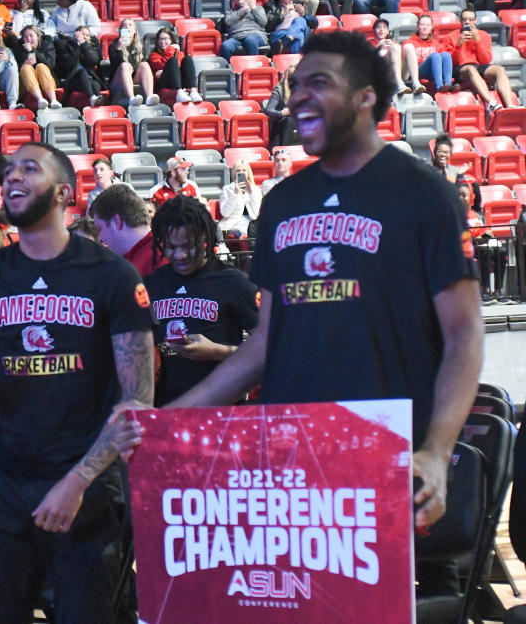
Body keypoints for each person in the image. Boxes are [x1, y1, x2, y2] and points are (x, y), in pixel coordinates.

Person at [160, 33, 483, 596]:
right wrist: (168, 422)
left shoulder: (423, 195)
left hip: (387, 459)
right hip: (293, 460)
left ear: (364, 97)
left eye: (318, 83)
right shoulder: (283, 202)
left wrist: (435, 449)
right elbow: (263, 346)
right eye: (294, 85)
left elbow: (464, 334)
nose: (297, 98)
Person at [0, 140, 155, 623]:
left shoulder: (111, 275)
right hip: (7, 479)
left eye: (30, 169)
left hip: (87, 480)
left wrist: (76, 483)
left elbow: (137, 400)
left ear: (65, 192)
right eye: (8, 171)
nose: (13, 177)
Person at [145, 195, 259, 406]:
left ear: (204, 238)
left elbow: (267, 352)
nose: (179, 255)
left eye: (188, 246)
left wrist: (217, 352)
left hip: (220, 413)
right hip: (165, 412)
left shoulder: (233, 282)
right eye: (171, 247)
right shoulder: (151, 285)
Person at [92, 183, 168, 276]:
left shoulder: (159, 259)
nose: (100, 238)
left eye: (100, 229)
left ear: (117, 222)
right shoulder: (157, 252)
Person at [450, 8, 516, 113]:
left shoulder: (484, 35)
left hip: (478, 66)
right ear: (460, 21)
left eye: (471, 19)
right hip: (460, 69)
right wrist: (459, 45)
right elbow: (451, 63)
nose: (467, 22)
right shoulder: (451, 36)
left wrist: (478, 41)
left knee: (499, 69)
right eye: (465, 19)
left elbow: (486, 61)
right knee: (471, 69)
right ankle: (491, 103)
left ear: (475, 21)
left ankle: (510, 105)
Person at [460, 181, 507, 298]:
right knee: (487, 251)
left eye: (464, 195)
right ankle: (485, 290)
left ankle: (498, 291)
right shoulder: (455, 215)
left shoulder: (479, 214)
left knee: (502, 251)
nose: (461, 198)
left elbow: (484, 229)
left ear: (471, 197)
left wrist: (488, 233)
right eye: (459, 195)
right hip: (467, 246)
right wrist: (475, 236)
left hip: (481, 243)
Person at [109, 18, 158, 107]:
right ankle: (131, 98)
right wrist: (119, 48)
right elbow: (116, 66)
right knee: (124, 65)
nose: (127, 27)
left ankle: (149, 97)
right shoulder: (114, 46)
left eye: (130, 25)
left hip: (133, 76)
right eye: (124, 25)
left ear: (135, 30)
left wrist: (131, 68)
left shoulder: (140, 45)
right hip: (118, 79)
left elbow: (138, 66)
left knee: (144, 64)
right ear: (121, 30)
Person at [147, 28, 202, 104]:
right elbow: (164, 65)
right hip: (164, 83)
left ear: (171, 40)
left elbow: (181, 70)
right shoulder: (154, 56)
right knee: (172, 61)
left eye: (165, 39)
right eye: (159, 39)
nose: (162, 42)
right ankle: (179, 92)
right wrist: (171, 49)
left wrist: (167, 71)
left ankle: (193, 91)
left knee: (187, 59)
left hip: (179, 81)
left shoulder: (180, 54)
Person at [54, 25, 104, 107]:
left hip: (89, 79)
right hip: (71, 80)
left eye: (87, 35)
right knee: (82, 71)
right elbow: (68, 64)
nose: (84, 37)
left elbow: (93, 61)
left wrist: (84, 45)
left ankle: (97, 104)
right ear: (75, 35)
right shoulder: (66, 46)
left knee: (95, 83)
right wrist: (77, 46)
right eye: (82, 34)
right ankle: (92, 98)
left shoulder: (91, 47)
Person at [405, 14, 456, 94]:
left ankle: (448, 84)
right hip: (418, 71)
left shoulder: (435, 43)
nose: (425, 27)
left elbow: (444, 60)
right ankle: (439, 86)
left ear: (431, 27)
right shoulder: (409, 42)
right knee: (435, 56)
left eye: (428, 25)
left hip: (434, 71)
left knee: (446, 54)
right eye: (422, 24)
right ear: (418, 26)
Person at [14, 25, 61, 109]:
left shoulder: (47, 45)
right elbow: (16, 68)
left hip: (48, 82)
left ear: (38, 36)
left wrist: (32, 51)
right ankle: (40, 100)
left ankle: (54, 101)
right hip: (27, 85)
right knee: (25, 67)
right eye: (25, 36)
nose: (28, 39)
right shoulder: (19, 48)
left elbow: (50, 65)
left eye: (31, 35)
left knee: (41, 66)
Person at [372, 18, 419, 95]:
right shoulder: (368, 44)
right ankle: (398, 84)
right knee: (383, 52)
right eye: (378, 27)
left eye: (384, 27)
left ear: (388, 31)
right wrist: (378, 47)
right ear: (373, 31)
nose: (381, 29)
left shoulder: (393, 44)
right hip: (380, 75)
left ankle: (416, 83)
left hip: (399, 73)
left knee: (408, 46)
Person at [218, 159, 261, 238]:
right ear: (234, 173)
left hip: (250, 223)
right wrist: (235, 193)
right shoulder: (227, 189)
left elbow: (256, 213)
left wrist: (251, 193)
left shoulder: (256, 190)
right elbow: (225, 213)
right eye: (238, 170)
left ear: (248, 173)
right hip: (232, 224)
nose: (241, 173)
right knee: (243, 232)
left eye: (244, 170)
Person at [265, 64, 300, 147]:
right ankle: (284, 149)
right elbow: (269, 110)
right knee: (289, 121)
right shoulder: (279, 89)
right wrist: (282, 113)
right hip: (281, 124)